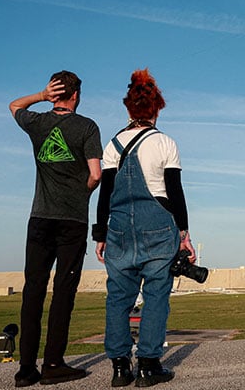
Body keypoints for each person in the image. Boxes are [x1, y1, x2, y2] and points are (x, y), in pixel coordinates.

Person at [92, 68, 195, 388]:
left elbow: (105, 193)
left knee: (118, 297)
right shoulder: (165, 143)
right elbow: (175, 192)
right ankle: (149, 365)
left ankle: (120, 368)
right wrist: (184, 235)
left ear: (129, 108)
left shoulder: (113, 145)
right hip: (159, 226)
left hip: (119, 227)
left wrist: (99, 234)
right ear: (157, 108)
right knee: (156, 295)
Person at [9, 71, 103, 386]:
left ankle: (25, 370)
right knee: (63, 291)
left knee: (32, 291)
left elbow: (13, 105)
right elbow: (96, 174)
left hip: (40, 219)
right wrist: (82, 192)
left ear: (55, 93)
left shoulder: (37, 123)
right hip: (71, 221)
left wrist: (39, 95)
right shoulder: (87, 127)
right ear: (76, 95)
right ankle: (52, 364)